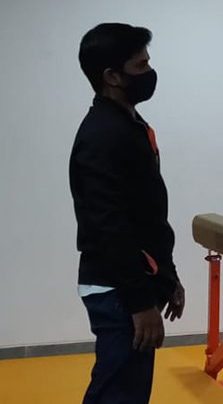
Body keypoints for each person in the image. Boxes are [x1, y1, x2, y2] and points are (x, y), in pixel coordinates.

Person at [70, 23, 185, 404]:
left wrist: (167, 277)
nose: (150, 72)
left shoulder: (130, 125)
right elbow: (108, 226)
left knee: (128, 392)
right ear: (112, 76)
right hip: (118, 289)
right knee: (117, 395)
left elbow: (147, 215)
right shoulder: (102, 135)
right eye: (141, 65)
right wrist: (138, 302)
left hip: (133, 283)